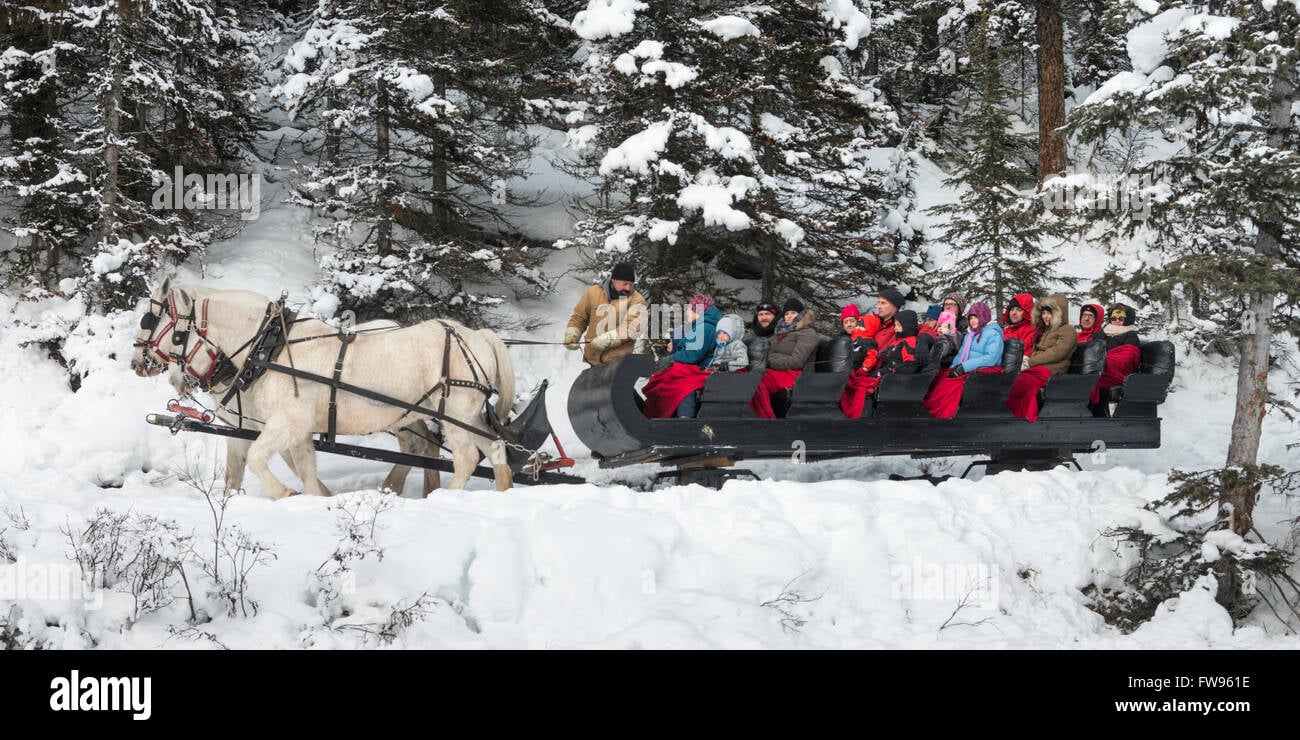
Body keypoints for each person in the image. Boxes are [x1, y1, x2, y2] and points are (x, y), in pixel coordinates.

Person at [642, 294, 722, 418]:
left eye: (690, 310)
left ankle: (681, 418)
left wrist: (672, 358)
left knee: (679, 385)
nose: (687, 313)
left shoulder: (705, 328)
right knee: (665, 380)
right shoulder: (701, 326)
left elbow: (693, 355)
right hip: (696, 368)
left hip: (701, 369)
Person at [922, 301, 1004, 419]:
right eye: (971, 318)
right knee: (942, 376)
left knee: (949, 385)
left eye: (976, 317)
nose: (973, 321)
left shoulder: (993, 334)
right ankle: (928, 410)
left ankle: (944, 415)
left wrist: (963, 367)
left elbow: (991, 358)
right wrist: (953, 368)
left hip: (983, 370)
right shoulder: (970, 335)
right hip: (968, 368)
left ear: (984, 317)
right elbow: (961, 354)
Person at [1006, 294, 1078, 421]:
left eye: (1049, 313)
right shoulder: (1045, 331)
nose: (1045, 316)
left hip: (1053, 370)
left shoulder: (1067, 330)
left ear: (1058, 314)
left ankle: (1015, 416)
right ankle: (1022, 418)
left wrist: (1030, 361)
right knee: (1025, 389)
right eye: (1043, 313)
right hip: (1039, 368)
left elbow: (1058, 352)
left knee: (1016, 384)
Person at [839, 310, 923, 418]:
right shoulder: (898, 341)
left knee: (862, 387)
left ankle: (863, 416)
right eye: (895, 325)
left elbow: (909, 366)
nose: (895, 328)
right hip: (884, 374)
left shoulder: (909, 342)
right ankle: (852, 413)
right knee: (856, 381)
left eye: (898, 325)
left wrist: (890, 370)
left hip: (892, 379)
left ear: (906, 326)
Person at [565, 261, 647, 366]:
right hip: (593, 360)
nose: (628, 288)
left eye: (631, 284)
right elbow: (580, 316)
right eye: (625, 283)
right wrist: (572, 333)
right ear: (613, 280)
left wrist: (607, 339)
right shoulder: (592, 292)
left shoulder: (636, 300)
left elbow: (631, 328)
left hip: (618, 363)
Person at [750, 298, 818, 418]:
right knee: (751, 380)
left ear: (801, 315)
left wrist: (773, 359)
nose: (789, 316)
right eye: (787, 313)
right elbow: (771, 355)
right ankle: (751, 416)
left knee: (758, 383)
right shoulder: (782, 332)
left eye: (793, 313)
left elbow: (796, 361)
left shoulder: (807, 333)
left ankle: (767, 419)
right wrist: (773, 358)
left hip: (798, 375)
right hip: (779, 372)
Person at [1089, 303, 1142, 415]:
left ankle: (1095, 414)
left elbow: (1128, 357)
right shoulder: (1104, 332)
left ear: (1127, 319)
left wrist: (1102, 361)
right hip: (1100, 368)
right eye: (1114, 318)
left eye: (1121, 318)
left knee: (1091, 381)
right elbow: (1090, 346)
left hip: (1117, 372)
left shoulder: (1130, 335)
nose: (1117, 321)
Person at [742, 300, 778, 372]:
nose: (764, 318)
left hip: (776, 380)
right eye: (760, 314)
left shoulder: (783, 335)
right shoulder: (748, 337)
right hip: (752, 380)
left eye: (767, 314)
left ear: (775, 316)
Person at [1000, 292, 1038, 357]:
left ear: (1026, 312)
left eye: (1019, 310)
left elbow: (1020, 351)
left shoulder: (1030, 330)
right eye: (1011, 309)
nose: (1014, 313)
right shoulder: (1006, 330)